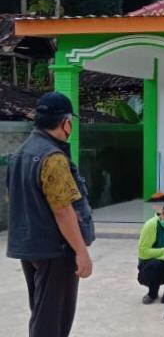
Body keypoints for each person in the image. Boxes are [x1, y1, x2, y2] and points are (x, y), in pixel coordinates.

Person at [6, 92, 95, 337]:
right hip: (55, 250)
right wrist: (81, 252)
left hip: (31, 247)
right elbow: (63, 209)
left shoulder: (20, 154)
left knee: (43, 312)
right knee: (52, 322)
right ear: (66, 123)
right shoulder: (52, 158)